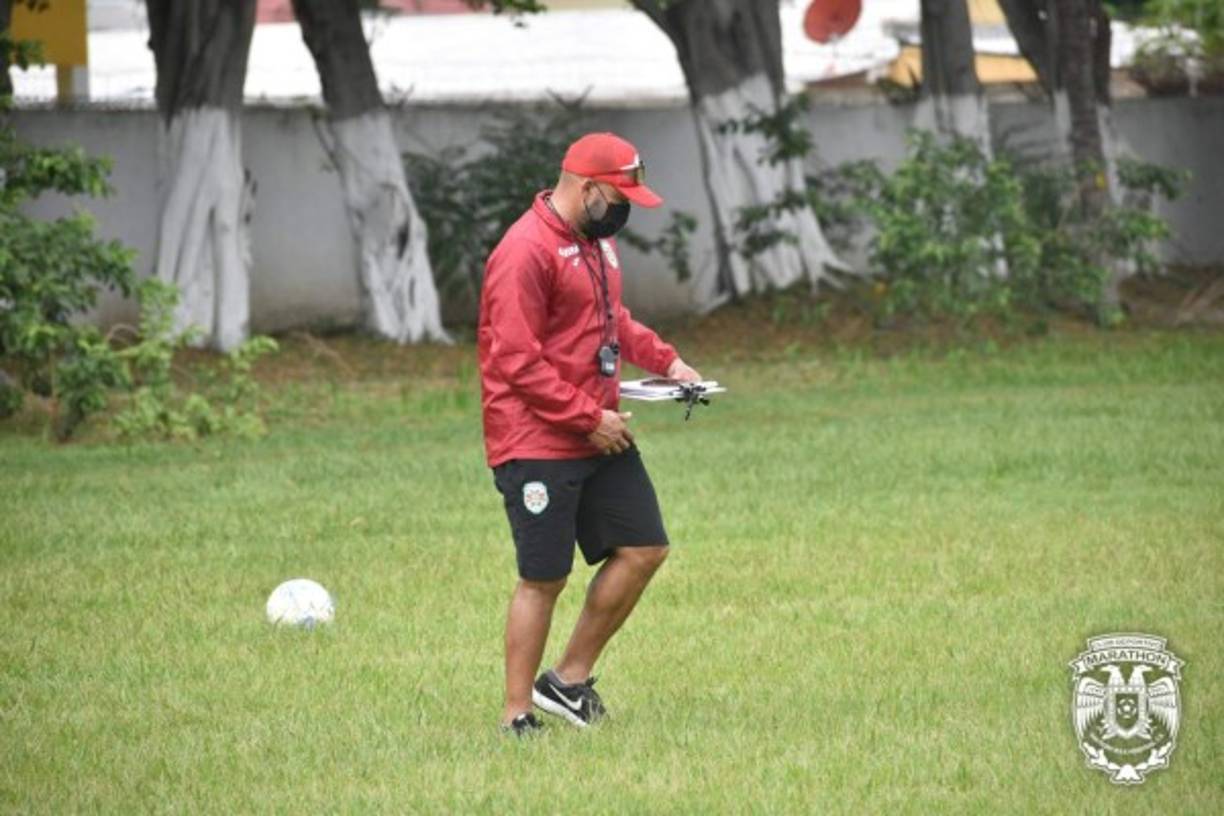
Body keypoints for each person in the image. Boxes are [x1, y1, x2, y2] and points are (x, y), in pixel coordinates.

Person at [478, 132, 701, 736]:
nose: (626, 207)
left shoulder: (596, 244)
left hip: (598, 429)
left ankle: (567, 682)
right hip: (537, 438)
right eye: (620, 194)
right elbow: (515, 360)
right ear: (585, 186)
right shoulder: (524, 252)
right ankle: (516, 714)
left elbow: (612, 320)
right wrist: (586, 417)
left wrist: (668, 361)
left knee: (645, 547)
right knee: (544, 577)